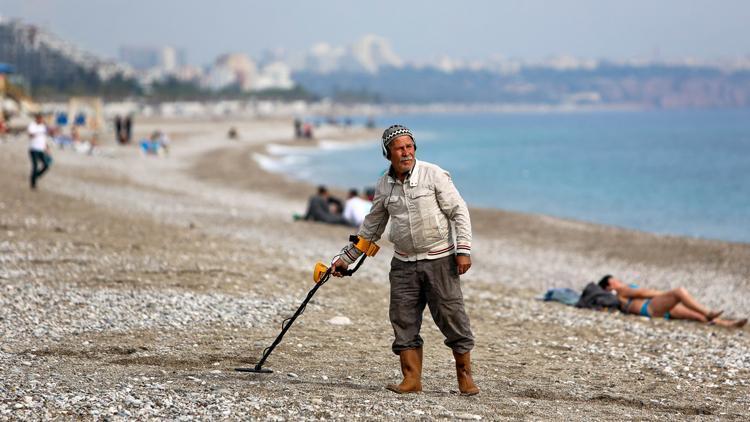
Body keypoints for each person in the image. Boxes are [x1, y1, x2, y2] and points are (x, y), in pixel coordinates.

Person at [331, 124, 479, 395]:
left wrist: (464, 250)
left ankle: (465, 377)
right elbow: (371, 227)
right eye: (399, 148)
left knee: (452, 317)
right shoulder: (384, 184)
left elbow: (459, 211)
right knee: (403, 319)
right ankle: (411, 380)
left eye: (409, 147)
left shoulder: (434, 174)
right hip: (403, 264)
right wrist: (345, 259)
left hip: (440, 260)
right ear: (388, 154)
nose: (406, 152)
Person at [599, 275, 747, 328]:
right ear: (609, 286)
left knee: (695, 316)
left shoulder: (620, 294)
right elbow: (644, 292)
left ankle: (727, 324)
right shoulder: (622, 291)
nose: (618, 281)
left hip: (653, 308)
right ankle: (708, 312)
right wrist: (666, 294)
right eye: (615, 281)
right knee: (679, 292)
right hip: (649, 308)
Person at [27, 113, 52, 189]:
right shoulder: (32, 125)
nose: (42, 120)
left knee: (46, 165)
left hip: (41, 149)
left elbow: (44, 139)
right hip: (33, 149)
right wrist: (38, 133)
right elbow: (30, 135)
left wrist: (47, 148)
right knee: (35, 166)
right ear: (37, 119)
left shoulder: (43, 126)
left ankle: (35, 176)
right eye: (40, 119)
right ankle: (33, 184)